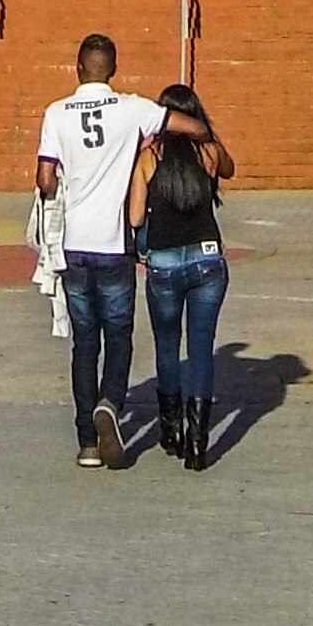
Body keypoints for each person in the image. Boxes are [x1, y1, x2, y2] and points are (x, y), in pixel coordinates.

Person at [34, 33, 221, 468]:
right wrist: (192, 135)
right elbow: (189, 126)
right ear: (112, 71)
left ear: (78, 69)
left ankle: (86, 442)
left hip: (74, 246)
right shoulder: (132, 108)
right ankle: (110, 405)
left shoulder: (56, 113)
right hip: (114, 245)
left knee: (85, 342)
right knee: (119, 337)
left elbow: (45, 179)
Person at [129, 78, 237, 471]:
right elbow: (230, 168)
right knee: (201, 348)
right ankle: (198, 441)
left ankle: (170, 429)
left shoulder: (149, 156)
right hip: (209, 260)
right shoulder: (206, 152)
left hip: (164, 263)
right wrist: (209, 139)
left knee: (166, 346)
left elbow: (136, 216)